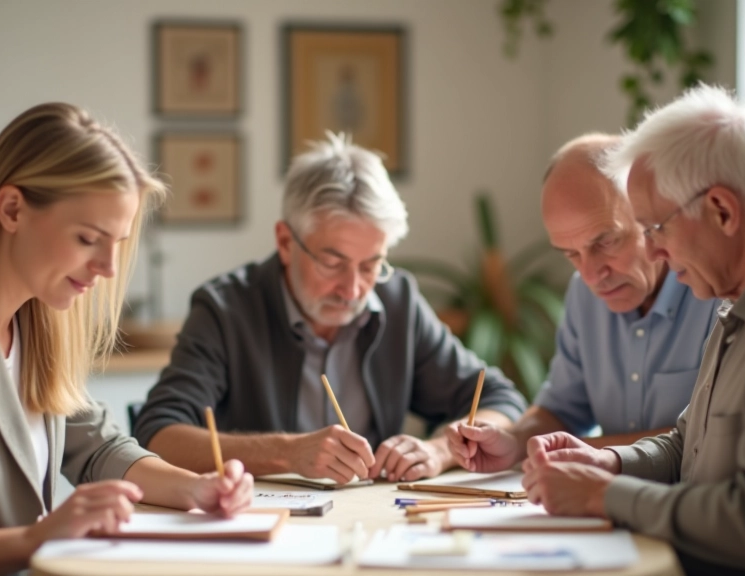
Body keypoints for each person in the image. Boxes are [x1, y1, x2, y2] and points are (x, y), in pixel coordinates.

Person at [0, 103, 254, 576]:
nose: (108, 268)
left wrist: (194, 488)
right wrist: (37, 538)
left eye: (116, 243)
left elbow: (97, 447)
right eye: (88, 239)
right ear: (12, 209)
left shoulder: (38, 317)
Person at [465, 85, 745, 574]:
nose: (654, 251)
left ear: (722, 211)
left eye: (656, 228)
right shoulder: (743, 295)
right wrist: (610, 462)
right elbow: (688, 445)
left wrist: (603, 494)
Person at [134, 132, 527, 484]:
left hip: (374, 520)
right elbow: (157, 434)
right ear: (285, 242)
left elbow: (498, 400)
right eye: (332, 262)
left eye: (371, 264)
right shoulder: (226, 309)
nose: (352, 289)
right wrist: (288, 452)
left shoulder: (398, 301)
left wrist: (439, 451)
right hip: (263, 522)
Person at [446, 134, 718, 472]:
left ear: (652, 217)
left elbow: (706, 441)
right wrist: (514, 442)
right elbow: (561, 410)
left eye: (605, 242)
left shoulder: (716, 291)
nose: (591, 275)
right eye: (571, 254)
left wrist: (587, 452)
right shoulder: (584, 293)